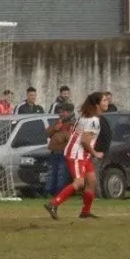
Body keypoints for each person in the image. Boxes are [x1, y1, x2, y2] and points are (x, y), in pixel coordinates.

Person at [44, 92, 109, 220]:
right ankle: (53, 204)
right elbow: (85, 141)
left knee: (92, 182)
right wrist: (95, 152)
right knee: (79, 183)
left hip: (83, 154)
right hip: (76, 154)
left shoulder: (86, 117)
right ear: (97, 104)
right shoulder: (93, 120)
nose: (107, 102)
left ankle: (85, 211)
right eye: (104, 100)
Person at [44, 103, 74, 198]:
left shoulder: (73, 123)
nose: (61, 114)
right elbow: (47, 132)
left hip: (64, 153)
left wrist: (59, 135)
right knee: (52, 173)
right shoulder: (58, 122)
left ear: (69, 112)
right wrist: (55, 129)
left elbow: (69, 137)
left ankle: (59, 193)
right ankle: (49, 192)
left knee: (61, 174)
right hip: (54, 152)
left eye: (64, 112)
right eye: (61, 112)